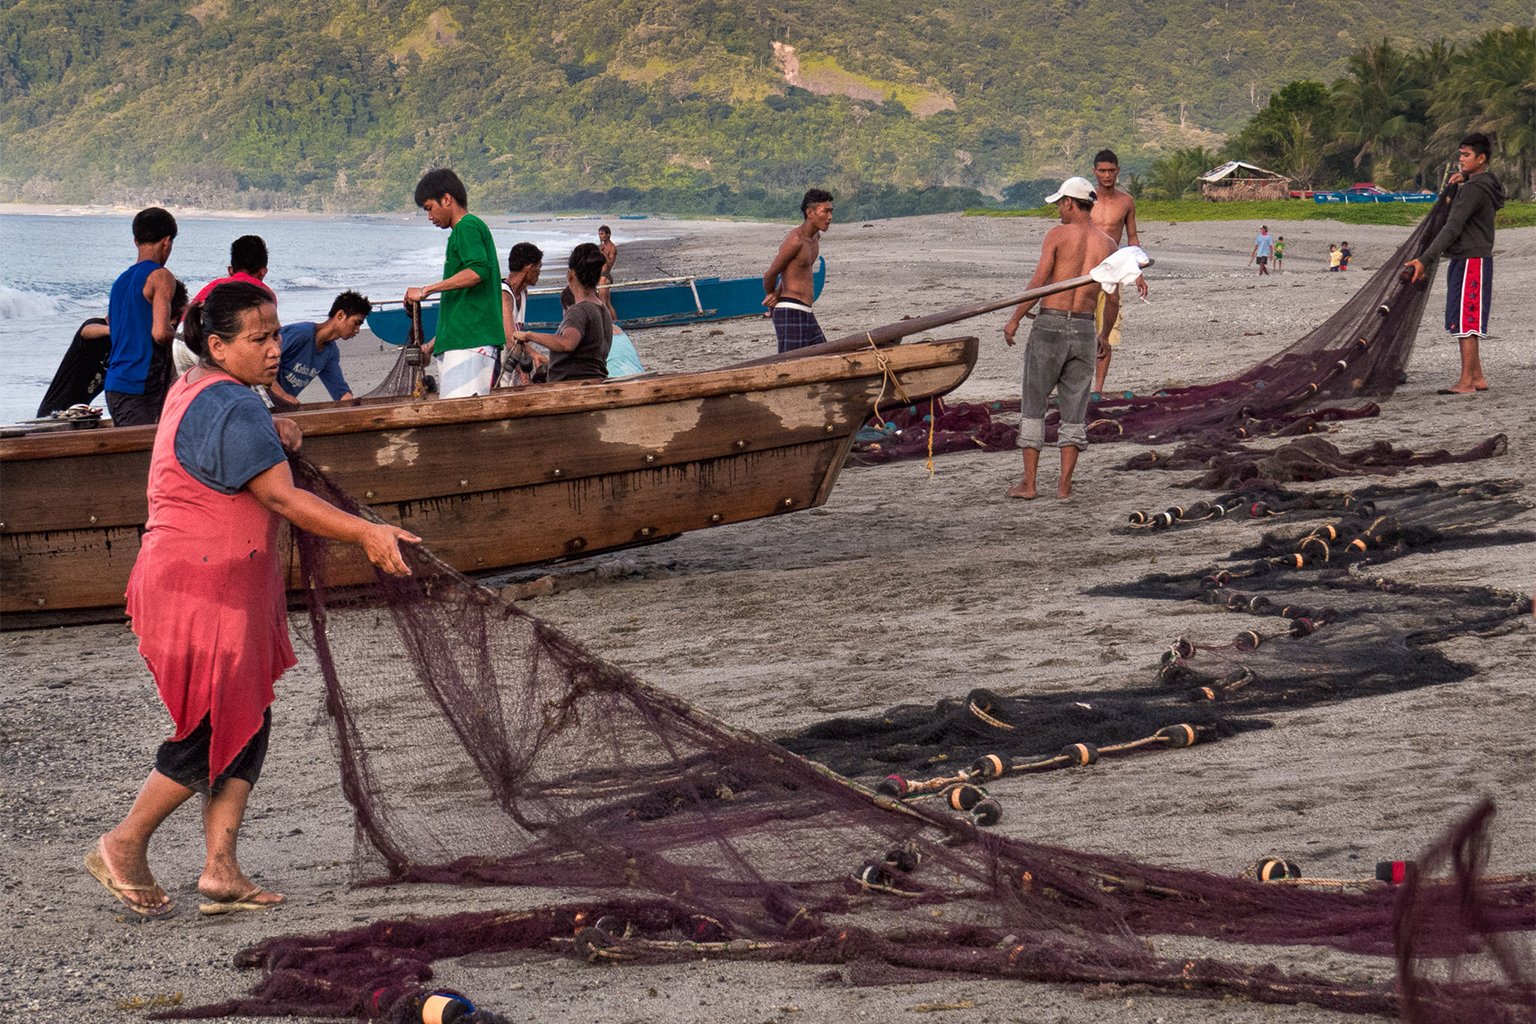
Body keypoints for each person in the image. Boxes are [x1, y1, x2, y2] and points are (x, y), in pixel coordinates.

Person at [85, 281, 418, 919]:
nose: (274, 349)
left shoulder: (204, 389)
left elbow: (238, 435)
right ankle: (123, 844)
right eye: (258, 339)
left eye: (274, 334)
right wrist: (367, 532)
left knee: (248, 719)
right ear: (217, 345)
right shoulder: (233, 405)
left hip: (211, 586)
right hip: (201, 591)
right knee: (211, 727)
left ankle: (220, 870)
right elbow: (283, 499)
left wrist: (274, 424)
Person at [1001, 177, 1118, 500]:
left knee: (1034, 405)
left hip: (1050, 326)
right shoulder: (1108, 245)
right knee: (1074, 410)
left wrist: (1013, 319)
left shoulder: (1057, 235)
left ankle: (1030, 484)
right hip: (1083, 329)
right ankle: (1064, 487)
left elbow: (1040, 282)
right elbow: (1113, 298)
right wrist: (1104, 335)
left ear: (1069, 203)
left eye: (1059, 205)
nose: (1058, 212)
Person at [1403, 132, 1507, 395]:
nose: (1460, 160)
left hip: (1471, 260)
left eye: (1466, 156)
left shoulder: (1473, 190)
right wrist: (1468, 176)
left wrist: (1426, 258)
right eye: (1460, 154)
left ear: (1481, 159)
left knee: (1466, 320)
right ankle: (1478, 376)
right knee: (1466, 317)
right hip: (1474, 258)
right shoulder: (1486, 183)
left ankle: (1466, 382)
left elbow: (1452, 227)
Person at [405, 168, 504, 398]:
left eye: (429, 208)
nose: (429, 217)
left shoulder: (467, 227)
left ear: (447, 199)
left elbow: (478, 271)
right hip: (463, 341)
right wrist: (431, 346)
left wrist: (426, 290)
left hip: (471, 343)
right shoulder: (463, 231)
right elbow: (464, 306)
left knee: (462, 419)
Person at [38, 282, 188, 417]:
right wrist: (119, 329)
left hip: (78, 414)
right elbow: (87, 330)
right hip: (53, 414)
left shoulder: (133, 344)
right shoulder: (100, 329)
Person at [104, 207, 180, 427]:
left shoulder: (121, 281)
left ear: (136, 241)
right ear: (167, 242)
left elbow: (112, 323)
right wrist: (187, 341)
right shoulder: (161, 276)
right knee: (145, 455)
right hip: (140, 385)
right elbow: (160, 332)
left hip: (115, 384)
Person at [1087, 149, 1149, 394]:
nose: (1107, 175)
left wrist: (1137, 273)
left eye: (1111, 170)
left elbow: (1132, 237)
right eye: (1102, 170)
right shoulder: (1085, 199)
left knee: (1107, 331)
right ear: (1095, 172)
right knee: (1078, 328)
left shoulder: (1126, 202)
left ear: (1118, 171)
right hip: (1085, 272)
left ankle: (1098, 389)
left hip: (1113, 272)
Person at [510, 244, 611, 383]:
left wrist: (529, 335)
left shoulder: (579, 310)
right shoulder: (603, 309)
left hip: (572, 385)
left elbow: (567, 343)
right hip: (596, 380)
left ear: (571, 275)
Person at [268, 291, 372, 406]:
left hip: (279, 405)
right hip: (258, 394)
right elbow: (261, 362)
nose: (357, 330)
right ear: (340, 315)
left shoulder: (330, 352)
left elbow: (340, 391)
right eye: (356, 323)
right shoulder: (300, 334)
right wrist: (283, 395)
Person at [764, 188, 833, 353]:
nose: (830, 217)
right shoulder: (795, 240)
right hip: (790, 310)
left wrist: (780, 290)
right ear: (810, 213)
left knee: (825, 356)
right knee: (789, 365)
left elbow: (791, 272)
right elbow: (770, 274)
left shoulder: (815, 238)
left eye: (831, 211)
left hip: (806, 311)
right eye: (825, 212)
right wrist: (772, 295)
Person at [497, 242, 546, 387]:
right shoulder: (503, 294)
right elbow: (510, 339)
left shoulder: (523, 293)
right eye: (539, 267)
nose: (539, 272)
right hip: (495, 366)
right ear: (529, 267)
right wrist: (535, 354)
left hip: (510, 364)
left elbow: (518, 337)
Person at [193, 235, 276, 306]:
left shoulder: (213, 287)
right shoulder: (266, 295)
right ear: (262, 272)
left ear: (230, 270)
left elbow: (186, 319)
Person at [597, 225, 618, 318]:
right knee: (607, 303)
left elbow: (610, 263)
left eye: (602, 234)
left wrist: (603, 253)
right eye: (599, 234)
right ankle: (615, 322)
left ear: (608, 234)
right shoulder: (601, 246)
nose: (600, 236)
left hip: (605, 275)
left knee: (603, 303)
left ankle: (609, 323)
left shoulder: (612, 248)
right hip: (599, 275)